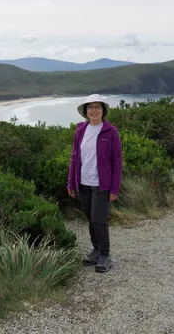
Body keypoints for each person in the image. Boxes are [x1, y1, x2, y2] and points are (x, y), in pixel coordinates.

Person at [67, 94, 122, 273]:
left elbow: (117, 161)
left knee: (99, 220)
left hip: (101, 184)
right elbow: (75, 157)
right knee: (91, 219)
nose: (94, 110)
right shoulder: (80, 130)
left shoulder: (110, 131)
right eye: (90, 107)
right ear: (85, 111)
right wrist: (71, 183)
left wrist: (114, 188)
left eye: (97, 107)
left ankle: (105, 255)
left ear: (103, 111)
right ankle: (96, 250)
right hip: (83, 183)